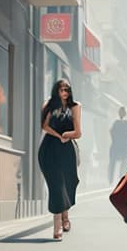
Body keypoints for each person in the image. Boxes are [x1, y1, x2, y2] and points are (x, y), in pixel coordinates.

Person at [38, 79, 82, 241]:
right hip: (49, 149)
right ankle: (57, 225)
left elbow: (78, 132)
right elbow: (44, 126)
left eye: (67, 90)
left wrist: (66, 135)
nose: (65, 93)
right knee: (55, 186)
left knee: (69, 183)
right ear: (56, 90)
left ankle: (65, 215)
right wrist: (58, 136)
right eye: (62, 90)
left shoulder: (75, 106)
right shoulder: (48, 104)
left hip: (67, 150)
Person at [108, 106, 127, 184]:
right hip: (121, 146)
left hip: (117, 146)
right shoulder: (125, 123)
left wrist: (116, 140)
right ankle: (117, 179)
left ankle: (113, 179)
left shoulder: (117, 122)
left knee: (114, 163)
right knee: (120, 163)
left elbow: (112, 132)